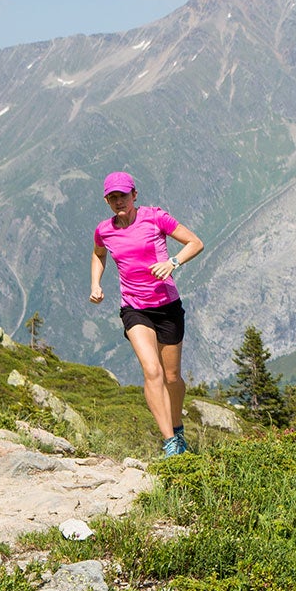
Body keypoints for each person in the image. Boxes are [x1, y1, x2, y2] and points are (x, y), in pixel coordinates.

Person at [89, 171, 204, 457]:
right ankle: (170, 443)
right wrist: (96, 283)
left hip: (167, 307)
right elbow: (98, 254)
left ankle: (177, 428)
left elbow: (195, 243)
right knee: (152, 371)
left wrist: (173, 262)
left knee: (172, 377)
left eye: (123, 196)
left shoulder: (155, 217)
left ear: (134, 195)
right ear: (107, 201)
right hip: (134, 309)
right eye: (112, 198)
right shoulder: (104, 230)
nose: (118, 202)